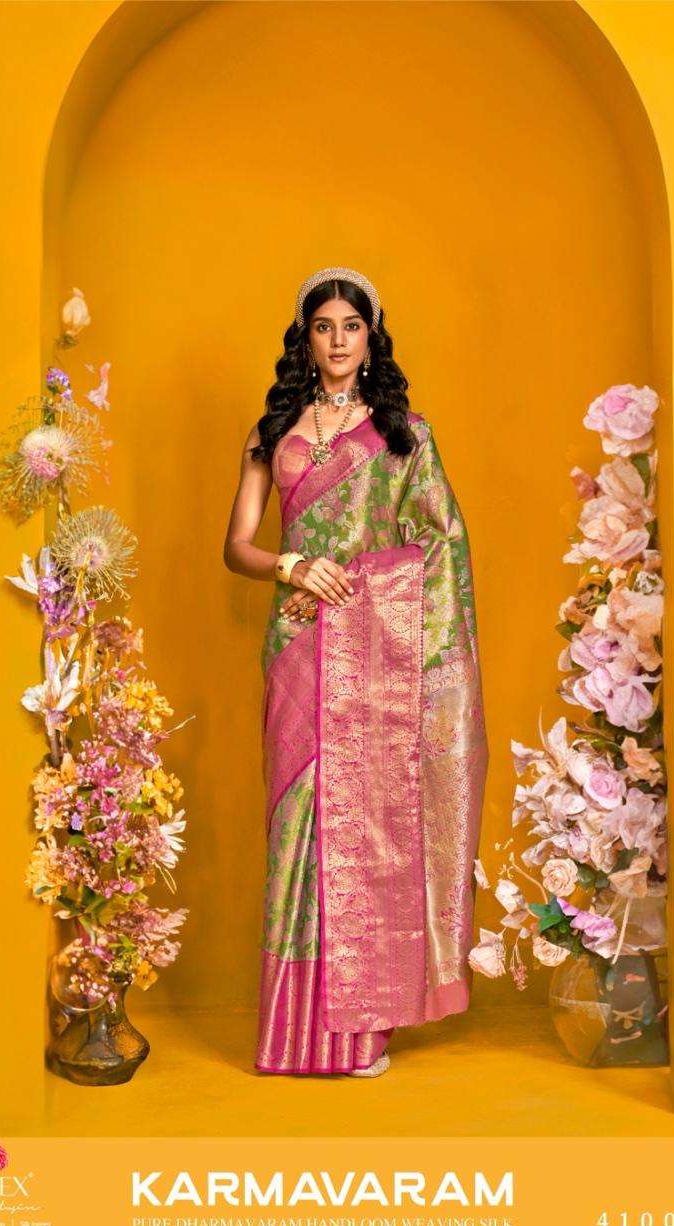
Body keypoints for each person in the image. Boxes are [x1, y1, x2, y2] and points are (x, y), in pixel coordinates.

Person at [223, 266, 489, 1077]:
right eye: (323, 326)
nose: (337, 340)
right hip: (298, 644)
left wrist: (367, 585)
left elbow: (443, 545)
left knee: (365, 827)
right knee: (298, 824)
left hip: (374, 655)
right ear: (304, 340)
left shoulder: (403, 433)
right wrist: (292, 566)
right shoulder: (271, 431)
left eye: (351, 325)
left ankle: (361, 1031)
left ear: (371, 338)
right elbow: (237, 547)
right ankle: (293, 1034)